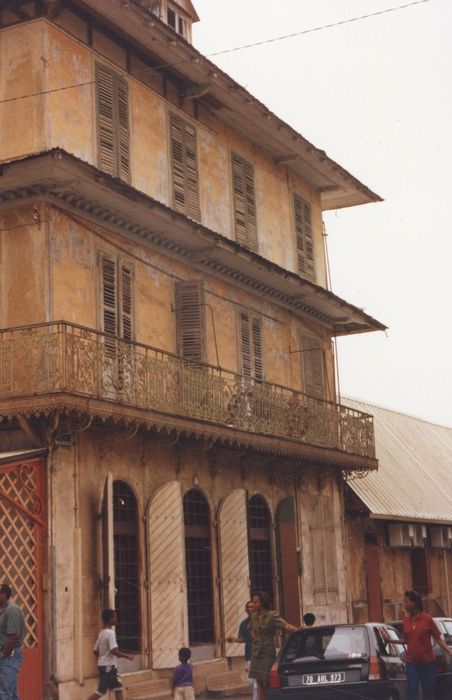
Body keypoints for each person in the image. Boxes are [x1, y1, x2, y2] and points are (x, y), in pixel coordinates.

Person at [381, 590, 452, 700]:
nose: (405, 604)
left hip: (428, 663)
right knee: (412, 690)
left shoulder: (427, 619)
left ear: (414, 603)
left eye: (407, 602)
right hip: (412, 662)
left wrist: (448, 651)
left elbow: (438, 638)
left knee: (428, 692)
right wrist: (389, 640)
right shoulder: (406, 621)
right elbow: (406, 640)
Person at [248, 591, 298, 700]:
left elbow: (284, 625)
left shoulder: (272, 615)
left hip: (267, 651)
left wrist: (297, 631)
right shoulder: (253, 617)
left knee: (266, 680)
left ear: (262, 603)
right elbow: (250, 628)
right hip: (256, 652)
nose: (253, 604)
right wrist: (255, 639)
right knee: (258, 681)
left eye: (255, 602)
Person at [87, 609, 133, 700]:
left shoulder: (102, 633)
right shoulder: (110, 633)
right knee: (103, 690)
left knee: (117, 688)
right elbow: (114, 651)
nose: (116, 619)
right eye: (115, 617)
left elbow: (95, 650)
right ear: (110, 619)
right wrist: (127, 656)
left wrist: (101, 660)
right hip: (109, 667)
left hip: (105, 666)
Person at [227, 601, 257, 700]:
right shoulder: (244, 623)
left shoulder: (261, 621)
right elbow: (243, 639)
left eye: (251, 607)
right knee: (254, 681)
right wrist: (234, 639)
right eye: (248, 607)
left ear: (255, 608)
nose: (249, 609)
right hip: (250, 654)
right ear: (245, 610)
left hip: (262, 653)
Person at [0, 584, 25, 700]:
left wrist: (3, 654)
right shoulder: (3, 610)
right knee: (11, 691)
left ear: (3, 595)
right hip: (7, 655)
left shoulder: (12, 610)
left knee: (5, 693)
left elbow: (13, 636)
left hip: (11, 655)